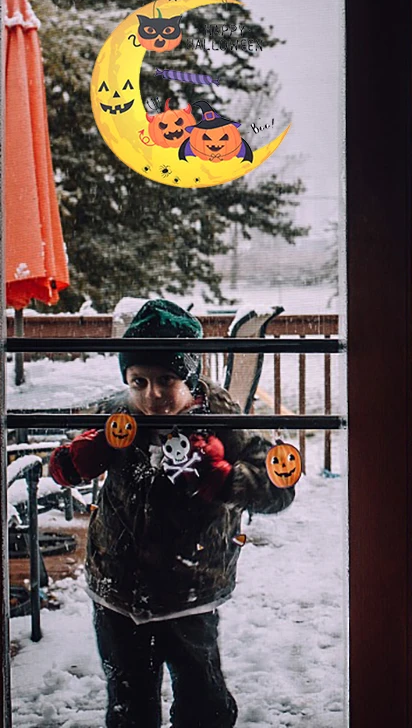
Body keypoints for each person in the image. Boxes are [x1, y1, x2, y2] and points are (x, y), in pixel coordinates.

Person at [50, 299, 295, 728]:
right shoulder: (116, 413)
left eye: (167, 380)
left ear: (190, 376)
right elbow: (64, 462)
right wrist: (72, 461)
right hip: (117, 590)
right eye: (139, 381)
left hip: (190, 591)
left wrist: (224, 479)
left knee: (204, 704)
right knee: (129, 707)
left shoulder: (220, 417)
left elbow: (279, 489)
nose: (153, 395)